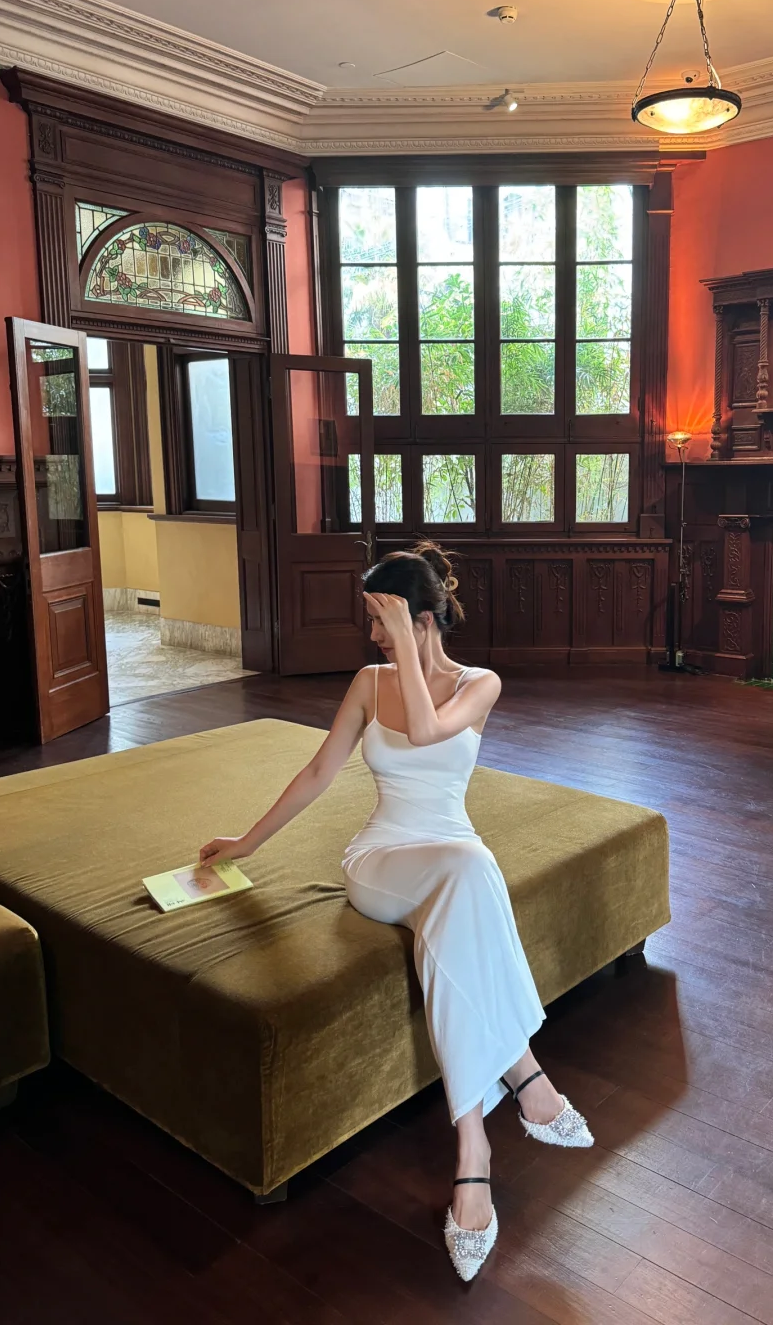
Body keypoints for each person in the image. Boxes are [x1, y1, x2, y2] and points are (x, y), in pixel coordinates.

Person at [199, 541, 592, 1279]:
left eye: (381, 620)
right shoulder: (367, 682)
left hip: (452, 852)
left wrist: (409, 648)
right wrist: (245, 842)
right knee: (473, 872)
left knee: (467, 876)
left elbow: (427, 729)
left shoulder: (480, 684)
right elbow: (320, 770)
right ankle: (526, 1075)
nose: (372, 635)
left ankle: (473, 1148)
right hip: (380, 861)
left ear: (419, 618)